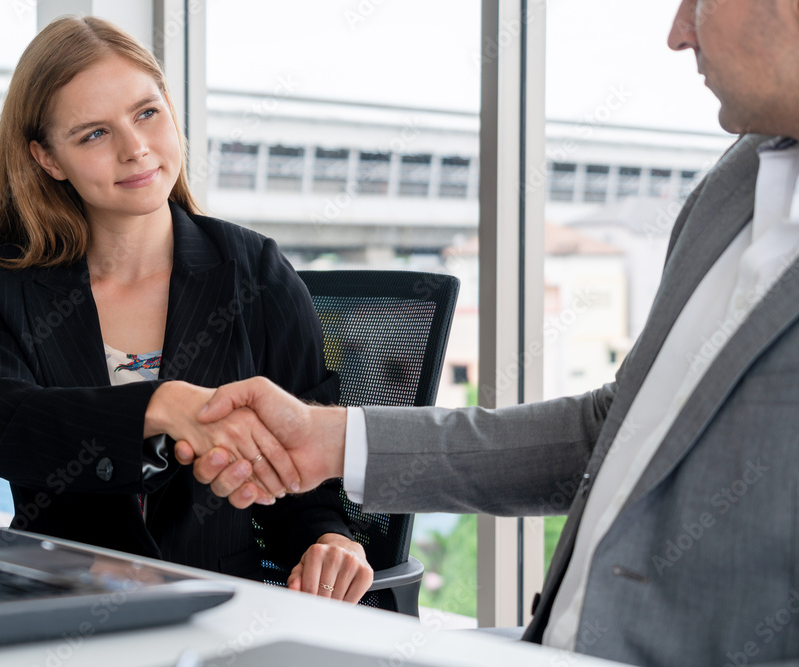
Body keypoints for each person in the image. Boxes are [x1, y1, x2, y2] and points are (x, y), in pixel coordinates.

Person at [175, 1, 799, 665]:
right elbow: (616, 429)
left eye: (699, 2)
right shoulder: (737, 180)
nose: (678, 33)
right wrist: (329, 439)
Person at [0, 16, 372, 603]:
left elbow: (304, 477)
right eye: (94, 134)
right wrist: (158, 404)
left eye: (147, 113)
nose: (135, 148)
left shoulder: (256, 272)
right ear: (47, 160)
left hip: (218, 608)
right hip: (56, 607)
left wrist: (330, 540)